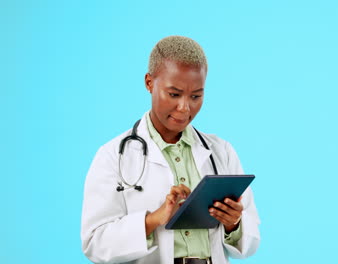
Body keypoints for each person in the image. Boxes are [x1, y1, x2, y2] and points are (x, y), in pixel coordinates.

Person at [81, 36, 260, 264]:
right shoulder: (113, 156)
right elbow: (94, 243)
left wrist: (233, 223)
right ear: (149, 83)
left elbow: (252, 239)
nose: (184, 107)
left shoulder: (221, 151)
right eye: (174, 94)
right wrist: (153, 219)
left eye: (196, 96)